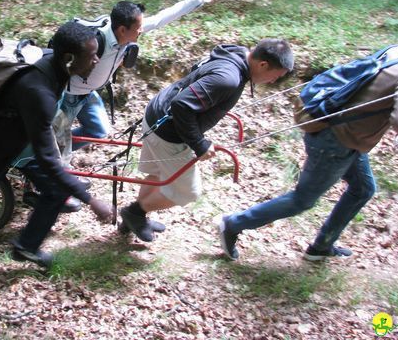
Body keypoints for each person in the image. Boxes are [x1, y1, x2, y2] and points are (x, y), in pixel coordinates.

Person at [23, 0, 220, 210]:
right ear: (123, 29)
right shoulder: (94, 41)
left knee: (97, 130)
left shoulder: (126, 34)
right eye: (137, 28)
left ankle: (52, 161)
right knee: (58, 143)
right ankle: (52, 188)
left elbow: (163, 18)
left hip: (88, 93)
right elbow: (62, 66)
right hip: (67, 93)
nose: (141, 31)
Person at [0, 22, 114, 271]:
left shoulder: (53, 65)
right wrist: (91, 200)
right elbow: (49, 160)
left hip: (19, 140)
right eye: (92, 56)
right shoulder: (38, 91)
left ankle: (26, 247)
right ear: (68, 58)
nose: (97, 60)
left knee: (55, 192)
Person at [217, 45, 398, 262]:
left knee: (363, 189)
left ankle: (322, 246)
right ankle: (233, 224)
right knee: (302, 200)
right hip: (337, 139)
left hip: (340, 131)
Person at [120, 39, 294, 242]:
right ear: (263, 64)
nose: (273, 81)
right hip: (168, 132)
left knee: (157, 172)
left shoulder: (236, 53)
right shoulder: (228, 78)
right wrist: (199, 144)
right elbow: (182, 105)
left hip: (156, 112)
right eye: (276, 76)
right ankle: (134, 212)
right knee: (188, 192)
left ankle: (134, 219)